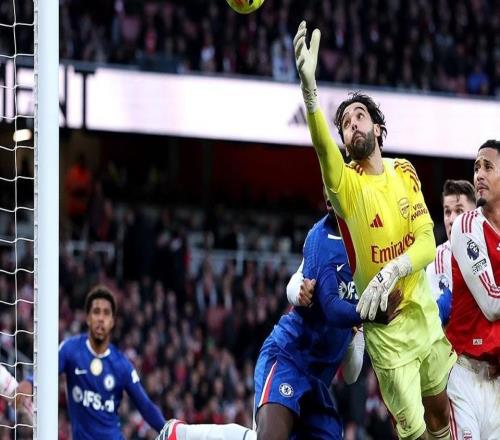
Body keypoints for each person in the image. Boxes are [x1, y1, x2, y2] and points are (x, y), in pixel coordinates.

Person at [293, 20, 456, 440]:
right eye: (345, 124)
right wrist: (310, 93)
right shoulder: (346, 187)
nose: (352, 125)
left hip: (421, 311)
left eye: (360, 117)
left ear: (378, 129)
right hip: (387, 331)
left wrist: (392, 271)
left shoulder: (405, 171)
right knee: (414, 432)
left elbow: (427, 241)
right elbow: (322, 150)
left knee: (441, 412)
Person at [157, 197, 401, 440]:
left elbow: (350, 375)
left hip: (318, 387)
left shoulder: (374, 270)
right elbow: (294, 283)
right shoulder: (323, 237)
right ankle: (182, 434)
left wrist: (358, 334)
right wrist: (300, 292)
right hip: (289, 358)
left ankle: (184, 433)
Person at [58, 285, 165, 439]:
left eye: (106, 313)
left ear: (112, 321)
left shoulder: (121, 364)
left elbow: (145, 406)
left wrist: (167, 429)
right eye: (96, 312)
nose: (101, 318)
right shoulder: (71, 349)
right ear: (88, 318)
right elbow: (46, 374)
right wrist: (29, 382)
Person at [446, 139, 500, 439]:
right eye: (476, 167)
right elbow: (491, 302)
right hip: (465, 373)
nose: (478, 174)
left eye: (487, 167)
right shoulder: (467, 226)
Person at [426, 180, 476, 325]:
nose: (451, 220)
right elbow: (438, 322)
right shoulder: (438, 259)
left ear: (475, 215)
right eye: (447, 212)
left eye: (459, 211)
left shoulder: (491, 246)